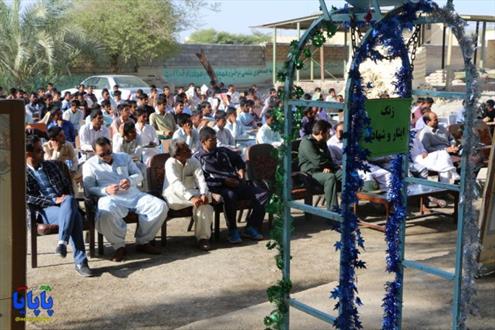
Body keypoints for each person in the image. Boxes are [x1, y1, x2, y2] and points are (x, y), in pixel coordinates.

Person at [82, 137, 168, 262]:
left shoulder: (123, 157)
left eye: (108, 152)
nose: (106, 156)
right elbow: (89, 188)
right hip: (110, 198)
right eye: (102, 154)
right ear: (94, 152)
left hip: (133, 195)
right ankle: (119, 246)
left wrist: (130, 180)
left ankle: (143, 241)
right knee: (105, 212)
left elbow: (138, 175)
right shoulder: (89, 165)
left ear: (111, 147)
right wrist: (105, 190)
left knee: (160, 206)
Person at [26, 135, 93, 276]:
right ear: (28, 154)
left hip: (64, 205)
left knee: (69, 201)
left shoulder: (53, 166)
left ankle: (62, 243)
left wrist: (63, 200)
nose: (43, 152)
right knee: (73, 215)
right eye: (39, 150)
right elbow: (25, 197)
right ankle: (81, 262)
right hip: (44, 211)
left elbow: (68, 187)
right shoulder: (21, 173)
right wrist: (52, 201)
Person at [194, 127, 269, 243]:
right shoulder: (197, 158)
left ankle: (252, 227)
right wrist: (224, 182)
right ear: (203, 141)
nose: (215, 141)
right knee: (229, 195)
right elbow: (202, 180)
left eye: (215, 138)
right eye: (212, 140)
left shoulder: (223, 151)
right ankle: (232, 230)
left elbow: (239, 161)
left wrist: (241, 171)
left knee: (262, 193)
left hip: (235, 182)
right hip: (218, 187)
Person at [162, 140, 214, 251]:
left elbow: (201, 179)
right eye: (186, 149)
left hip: (191, 193)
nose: (190, 150)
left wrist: (203, 193)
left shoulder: (194, 161)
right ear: (177, 155)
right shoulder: (170, 163)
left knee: (205, 203)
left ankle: (203, 239)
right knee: (202, 200)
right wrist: (192, 198)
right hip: (173, 196)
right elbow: (176, 184)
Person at [327, 122, 391, 191]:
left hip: (362, 163)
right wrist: (347, 160)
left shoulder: (351, 138)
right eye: (339, 131)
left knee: (387, 175)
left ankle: (387, 197)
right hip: (348, 166)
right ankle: (371, 198)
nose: (340, 133)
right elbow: (334, 161)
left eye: (342, 131)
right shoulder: (330, 143)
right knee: (368, 178)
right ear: (335, 131)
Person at [299, 120, 342, 210]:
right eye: (328, 132)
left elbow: (328, 159)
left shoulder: (322, 142)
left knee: (343, 174)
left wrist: (329, 167)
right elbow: (318, 161)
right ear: (321, 133)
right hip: (309, 174)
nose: (329, 135)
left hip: (322, 171)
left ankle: (348, 206)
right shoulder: (307, 143)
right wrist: (328, 166)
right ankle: (332, 212)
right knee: (330, 178)